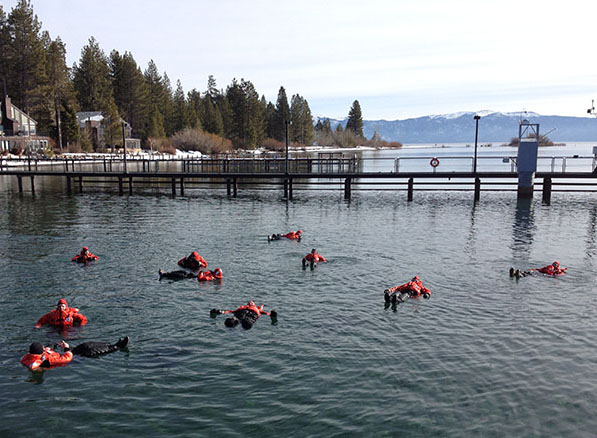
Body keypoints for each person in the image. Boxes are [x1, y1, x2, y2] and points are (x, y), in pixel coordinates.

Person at [20, 337, 129, 371]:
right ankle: (117, 347)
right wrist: (67, 349)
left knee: (86, 344)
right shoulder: (44, 361)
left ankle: (112, 344)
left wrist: (58, 346)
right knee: (90, 351)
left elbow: (46, 350)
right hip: (72, 360)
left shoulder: (29, 356)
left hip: (69, 354)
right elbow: (66, 359)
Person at [211, 300, 277, 330]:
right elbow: (230, 311)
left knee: (247, 322)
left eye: (252, 302)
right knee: (231, 321)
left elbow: (267, 314)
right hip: (240, 315)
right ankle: (232, 324)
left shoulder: (258, 309)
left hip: (251, 317)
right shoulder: (242, 308)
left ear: (254, 304)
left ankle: (240, 325)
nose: (250, 303)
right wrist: (219, 312)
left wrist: (272, 314)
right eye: (249, 302)